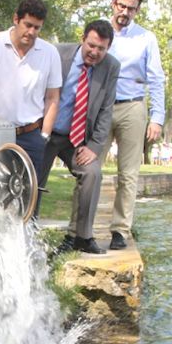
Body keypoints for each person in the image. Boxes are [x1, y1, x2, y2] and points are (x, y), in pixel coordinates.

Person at [39, 20, 119, 255]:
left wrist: (94, 146)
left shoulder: (111, 67)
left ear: (108, 48)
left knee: (92, 172)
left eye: (101, 49)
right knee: (33, 182)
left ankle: (82, 237)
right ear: (83, 39)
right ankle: (25, 233)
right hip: (45, 131)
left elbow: (106, 109)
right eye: (91, 45)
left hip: (76, 139)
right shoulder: (56, 53)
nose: (94, 52)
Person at [0, 0, 62, 178]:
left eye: (37, 27)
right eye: (28, 25)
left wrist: (44, 136)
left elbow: (52, 97)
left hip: (31, 135)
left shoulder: (50, 53)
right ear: (16, 19)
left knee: (29, 199)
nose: (31, 32)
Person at [103, 0, 166, 250]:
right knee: (88, 168)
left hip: (133, 107)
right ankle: (78, 230)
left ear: (137, 11)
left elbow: (156, 79)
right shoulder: (99, 31)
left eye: (132, 9)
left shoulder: (146, 38)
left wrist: (157, 117)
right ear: (113, 3)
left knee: (128, 174)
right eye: (122, 6)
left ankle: (120, 231)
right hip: (102, 107)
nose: (125, 12)